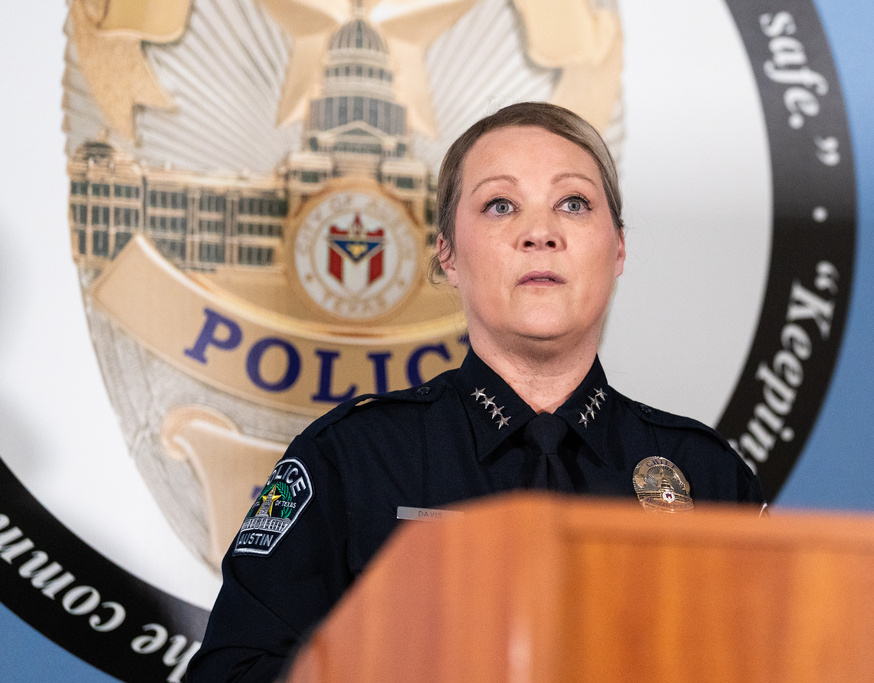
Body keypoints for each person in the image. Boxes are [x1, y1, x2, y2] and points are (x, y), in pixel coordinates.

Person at [186, 101, 764, 682]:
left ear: (616, 248)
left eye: (573, 203)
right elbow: (233, 673)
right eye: (500, 205)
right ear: (449, 255)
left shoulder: (707, 478)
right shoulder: (352, 460)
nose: (540, 233)